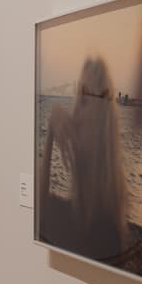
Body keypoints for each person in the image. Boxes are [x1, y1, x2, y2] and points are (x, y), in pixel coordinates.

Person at [39, 57, 128, 260]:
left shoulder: (106, 229)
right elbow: (36, 216)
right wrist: (51, 133)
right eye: (78, 98)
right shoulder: (77, 207)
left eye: (85, 99)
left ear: (101, 121)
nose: (75, 110)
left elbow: (40, 217)